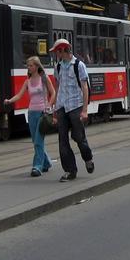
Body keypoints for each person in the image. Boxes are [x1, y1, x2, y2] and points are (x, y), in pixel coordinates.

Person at [3, 56, 55, 177]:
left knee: (38, 140)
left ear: (37, 66)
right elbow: (19, 95)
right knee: (35, 141)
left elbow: (53, 93)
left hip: (42, 113)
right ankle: (46, 162)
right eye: (28, 66)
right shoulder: (28, 81)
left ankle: (37, 166)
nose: (29, 68)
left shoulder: (44, 78)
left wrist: (49, 105)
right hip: (31, 113)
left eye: (31, 65)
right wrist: (9, 101)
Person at [51, 38, 94, 181]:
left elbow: (85, 87)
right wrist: (55, 109)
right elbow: (58, 88)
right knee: (62, 140)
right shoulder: (58, 67)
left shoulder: (79, 65)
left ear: (63, 50)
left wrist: (85, 109)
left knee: (79, 137)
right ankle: (70, 170)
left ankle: (88, 158)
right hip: (62, 106)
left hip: (76, 106)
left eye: (57, 51)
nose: (56, 54)